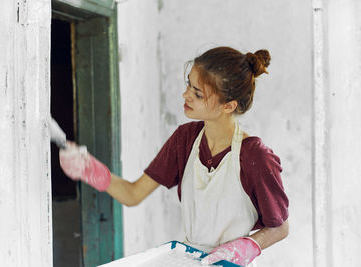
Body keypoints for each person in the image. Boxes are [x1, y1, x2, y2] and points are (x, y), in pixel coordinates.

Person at [59, 46, 289, 266]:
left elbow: (280, 227)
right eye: (189, 84)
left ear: (228, 106)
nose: (185, 95)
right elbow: (133, 194)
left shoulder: (255, 156)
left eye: (197, 94)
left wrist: (248, 246)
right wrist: (91, 170)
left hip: (233, 264)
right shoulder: (185, 139)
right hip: (188, 260)